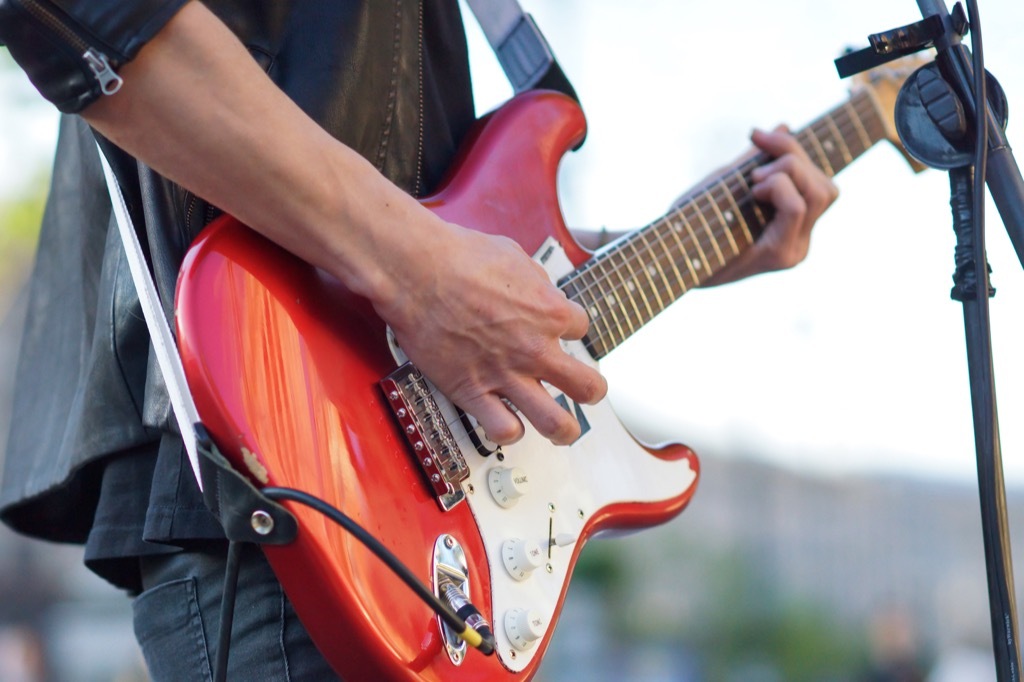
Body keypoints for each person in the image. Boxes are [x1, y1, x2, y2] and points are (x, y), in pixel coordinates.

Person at [0, 1, 838, 679]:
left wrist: (683, 248)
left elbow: (452, 235)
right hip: (285, 494)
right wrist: (419, 272)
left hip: (430, 554)